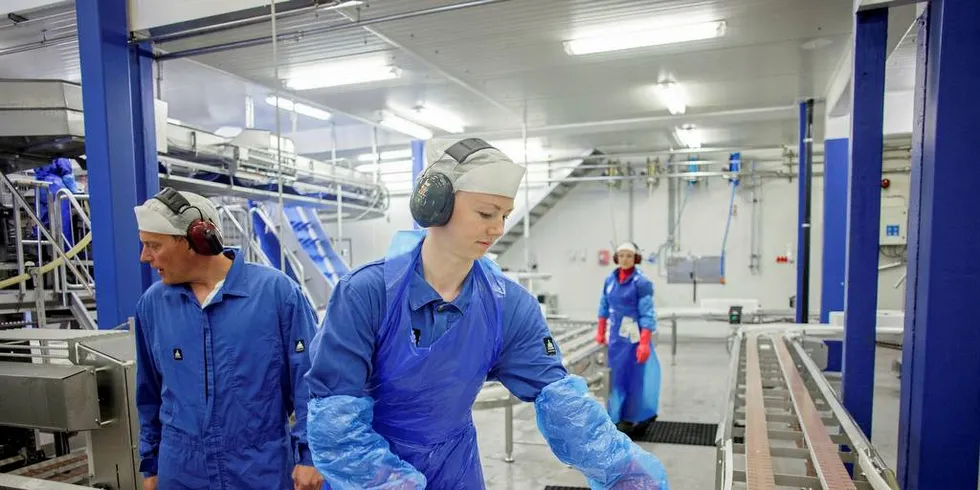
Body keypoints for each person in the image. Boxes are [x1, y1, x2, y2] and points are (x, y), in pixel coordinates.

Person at [305, 138, 669, 489]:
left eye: (505, 215)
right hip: (370, 473)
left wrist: (622, 469)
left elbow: (560, 400)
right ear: (436, 206)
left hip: (456, 467)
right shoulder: (366, 295)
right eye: (485, 213)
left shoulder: (508, 305)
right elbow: (336, 423)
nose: (498, 229)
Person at [132, 188, 324, 490]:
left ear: (195, 240)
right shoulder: (153, 305)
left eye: (153, 245)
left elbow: (310, 382)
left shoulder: (276, 294)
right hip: (181, 470)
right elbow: (149, 394)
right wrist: (151, 465)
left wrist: (310, 456)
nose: (145, 257)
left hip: (259, 469)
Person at [596, 242, 661, 434]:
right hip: (616, 337)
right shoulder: (610, 279)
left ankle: (634, 417)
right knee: (616, 378)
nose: (625, 259)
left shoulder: (642, 282)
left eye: (629, 256)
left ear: (635, 259)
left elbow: (647, 314)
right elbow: (603, 306)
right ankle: (616, 416)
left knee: (634, 379)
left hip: (634, 339)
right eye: (621, 255)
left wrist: (644, 343)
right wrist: (601, 330)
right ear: (616, 258)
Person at [34, 158, 79, 248]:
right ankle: (66, 252)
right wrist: (75, 192)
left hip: (39, 186)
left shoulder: (38, 149)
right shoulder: (60, 151)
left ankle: (40, 252)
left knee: (42, 220)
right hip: (55, 187)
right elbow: (66, 174)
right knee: (62, 221)